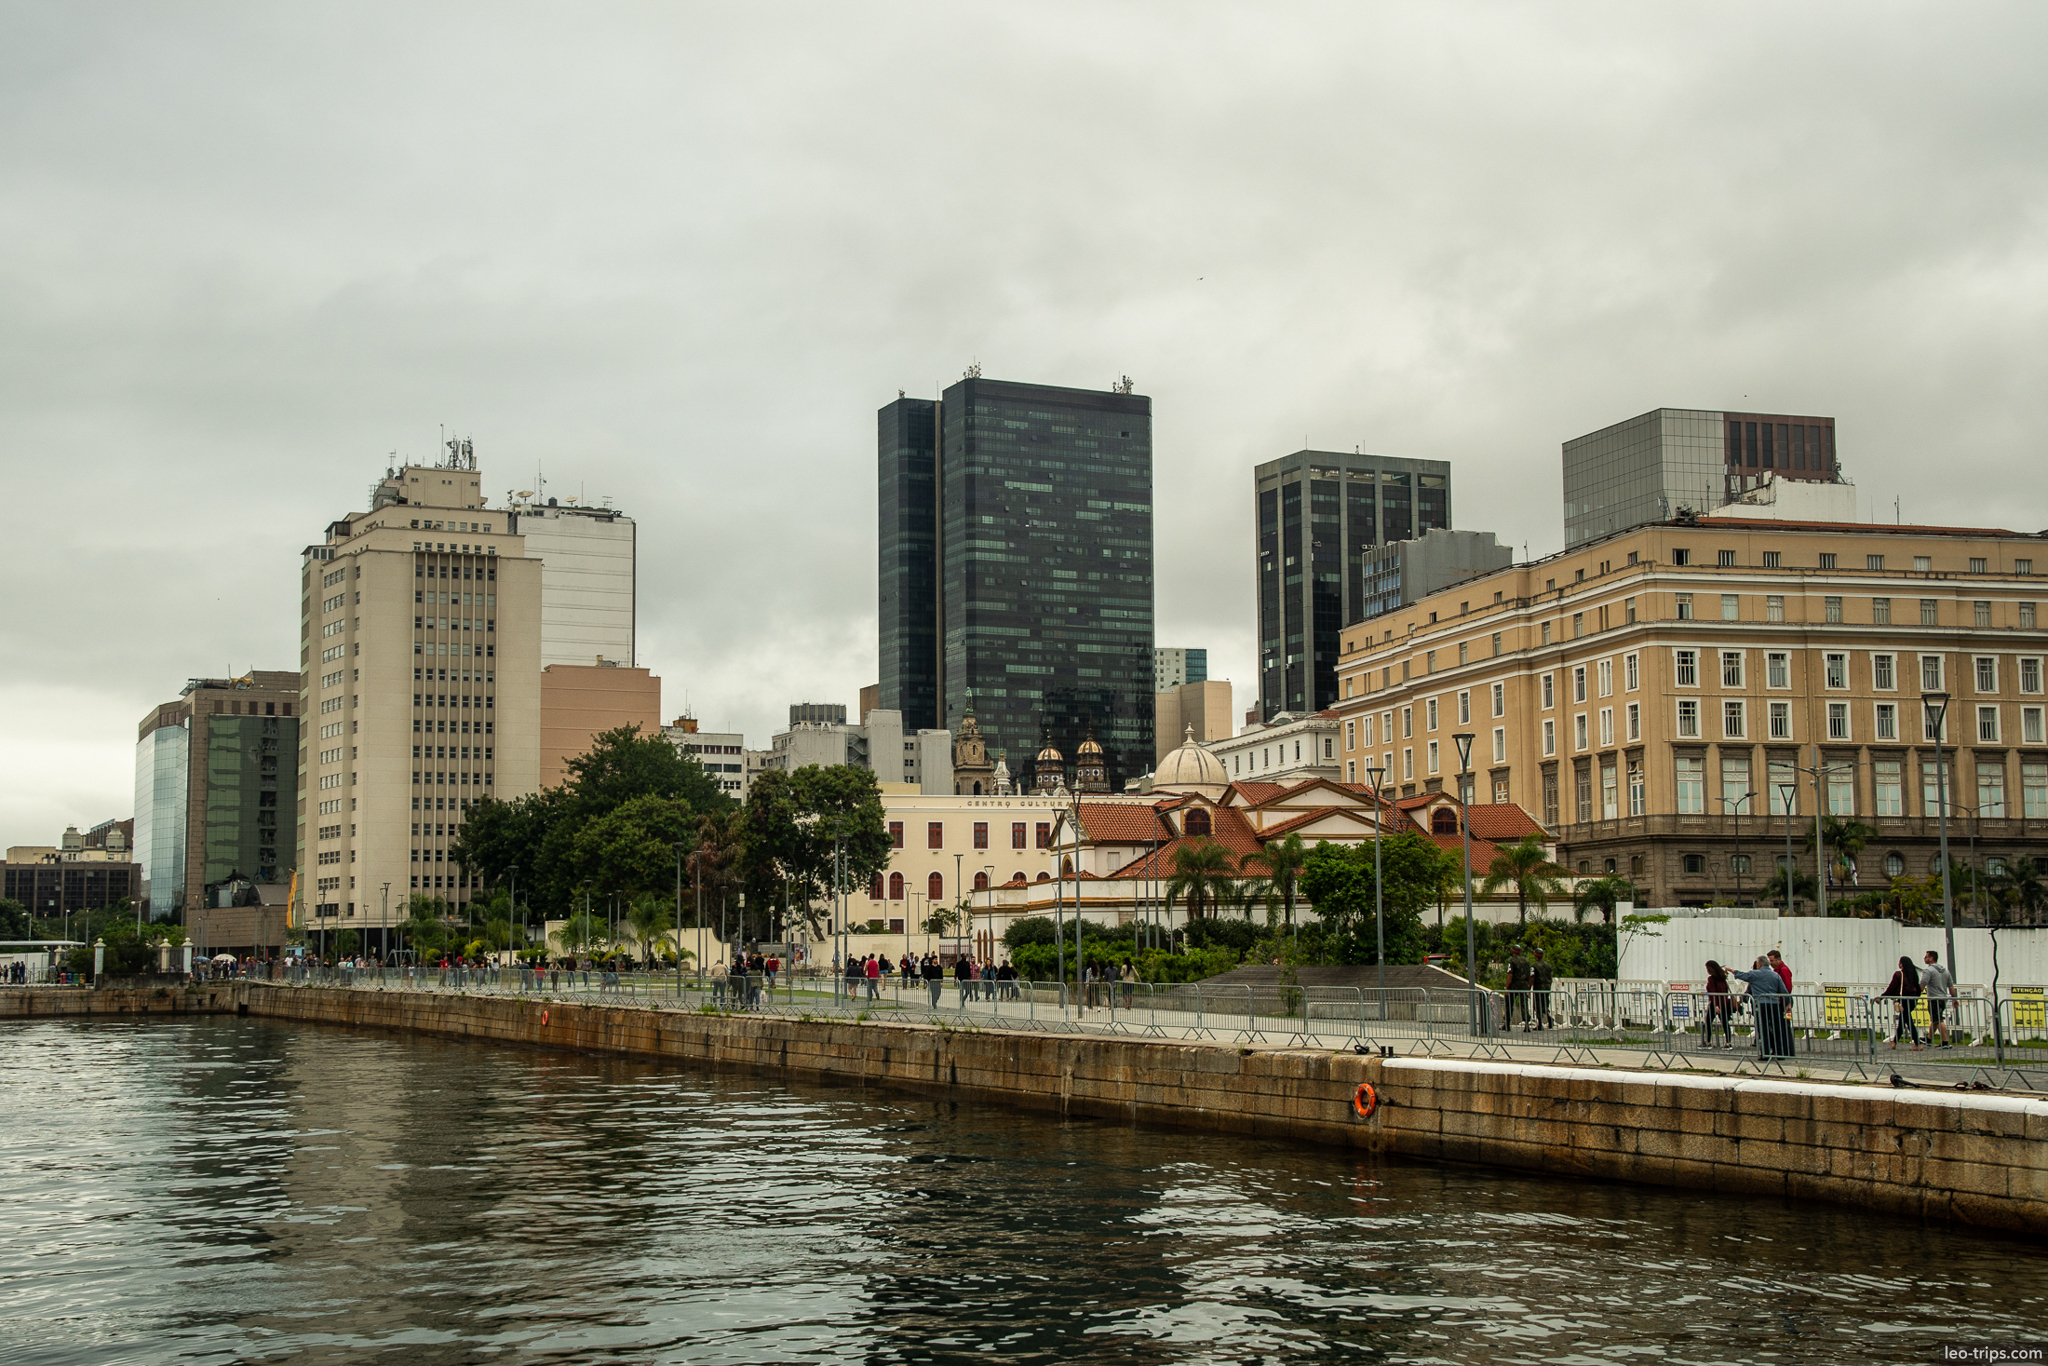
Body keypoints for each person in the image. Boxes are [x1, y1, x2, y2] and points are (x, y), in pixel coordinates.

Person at [1729, 957, 1794, 1059]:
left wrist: (1731, 970)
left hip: (1761, 1004)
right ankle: (1780, 1053)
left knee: (1763, 1029)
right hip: (1775, 1004)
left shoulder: (1755, 974)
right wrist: (1788, 1003)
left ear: (1759, 965)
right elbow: (1784, 991)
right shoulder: (1775, 975)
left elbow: (1743, 975)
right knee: (1777, 1029)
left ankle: (1765, 1053)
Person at [1879, 954, 1924, 1050]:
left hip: (1903, 1000)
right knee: (1903, 1021)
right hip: (1913, 1001)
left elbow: (1891, 988)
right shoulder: (1913, 975)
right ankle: (1895, 1042)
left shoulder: (1899, 974)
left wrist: (1881, 997)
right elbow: (1918, 989)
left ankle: (1917, 1044)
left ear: (1902, 964)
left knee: (1907, 1021)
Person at [1920, 950, 1955, 1048]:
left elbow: (1922, 985)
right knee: (1935, 1019)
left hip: (1933, 998)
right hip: (1943, 998)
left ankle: (1945, 1041)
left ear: (1931, 958)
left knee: (1938, 1019)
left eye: (1926, 957)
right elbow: (1951, 986)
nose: (1924, 959)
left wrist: (1914, 992)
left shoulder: (1928, 971)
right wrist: (1955, 998)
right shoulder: (1945, 970)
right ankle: (1929, 1039)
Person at [1703, 960, 1735, 1049]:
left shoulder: (1711, 979)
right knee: (1725, 1022)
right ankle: (1728, 1042)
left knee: (1708, 1021)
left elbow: (1712, 992)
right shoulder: (1722, 978)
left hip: (1715, 1003)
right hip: (1724, 1003)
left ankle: (1708, 1041)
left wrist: (1716, 1005)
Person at [1505, 947, 1533, 1030]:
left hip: (1514, 984)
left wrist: (1507, 987)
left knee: (1509, 1004)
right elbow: (1529, 975)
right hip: (1524, 984)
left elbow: (1510, 974)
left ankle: (1507, 1024)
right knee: (1524, 1004)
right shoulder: (1526, 961)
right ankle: (1527, 1024)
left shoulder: (1512, 961)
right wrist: (1528, 985)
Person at [1530, 949, 1555, 1030]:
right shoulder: (1548, 966)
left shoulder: (1534, 966)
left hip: (1538, 987)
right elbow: (1550, 977)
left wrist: (1529, 987)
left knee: (1538, 1005)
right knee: (1545, 1003)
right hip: (1547, 987)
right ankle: (1549, 1017)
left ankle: (1540, 1023)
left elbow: (1532, 977)